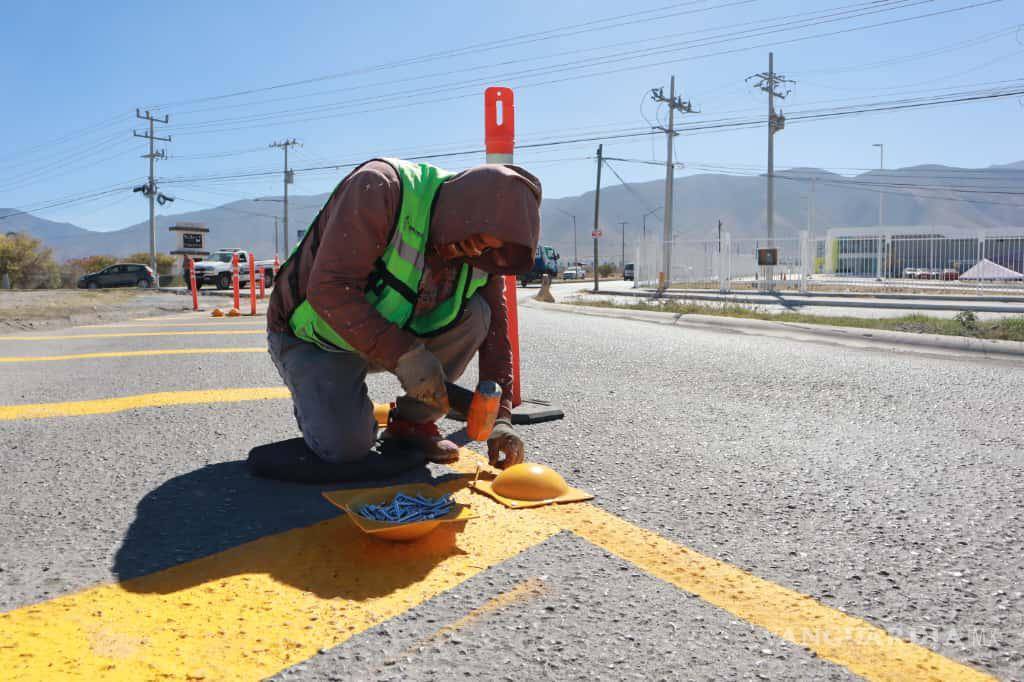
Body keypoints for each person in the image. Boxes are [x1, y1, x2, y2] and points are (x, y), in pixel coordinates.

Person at [264, 157, 541, 478]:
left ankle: (412, 423)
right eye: (473, 240)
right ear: (461, 211)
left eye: (486, 250)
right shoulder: (381, 187)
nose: (475, 253)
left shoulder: (486, 252)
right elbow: (329, 289)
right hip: (314, 336)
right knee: (346, 447)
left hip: (393, 332)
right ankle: (328, 414)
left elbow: (495, 334)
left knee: (478, 314)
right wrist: (407, 356)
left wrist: (500, 416)